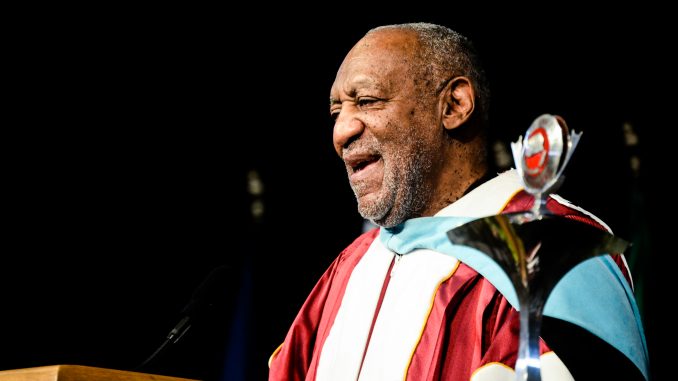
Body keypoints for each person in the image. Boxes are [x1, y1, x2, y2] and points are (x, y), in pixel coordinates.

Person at [268, 23, 648, 380]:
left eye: (366, 101)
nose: (342, 132)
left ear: (454, 105)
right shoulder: (351, 265)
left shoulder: (551, 254)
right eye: (337, 111)